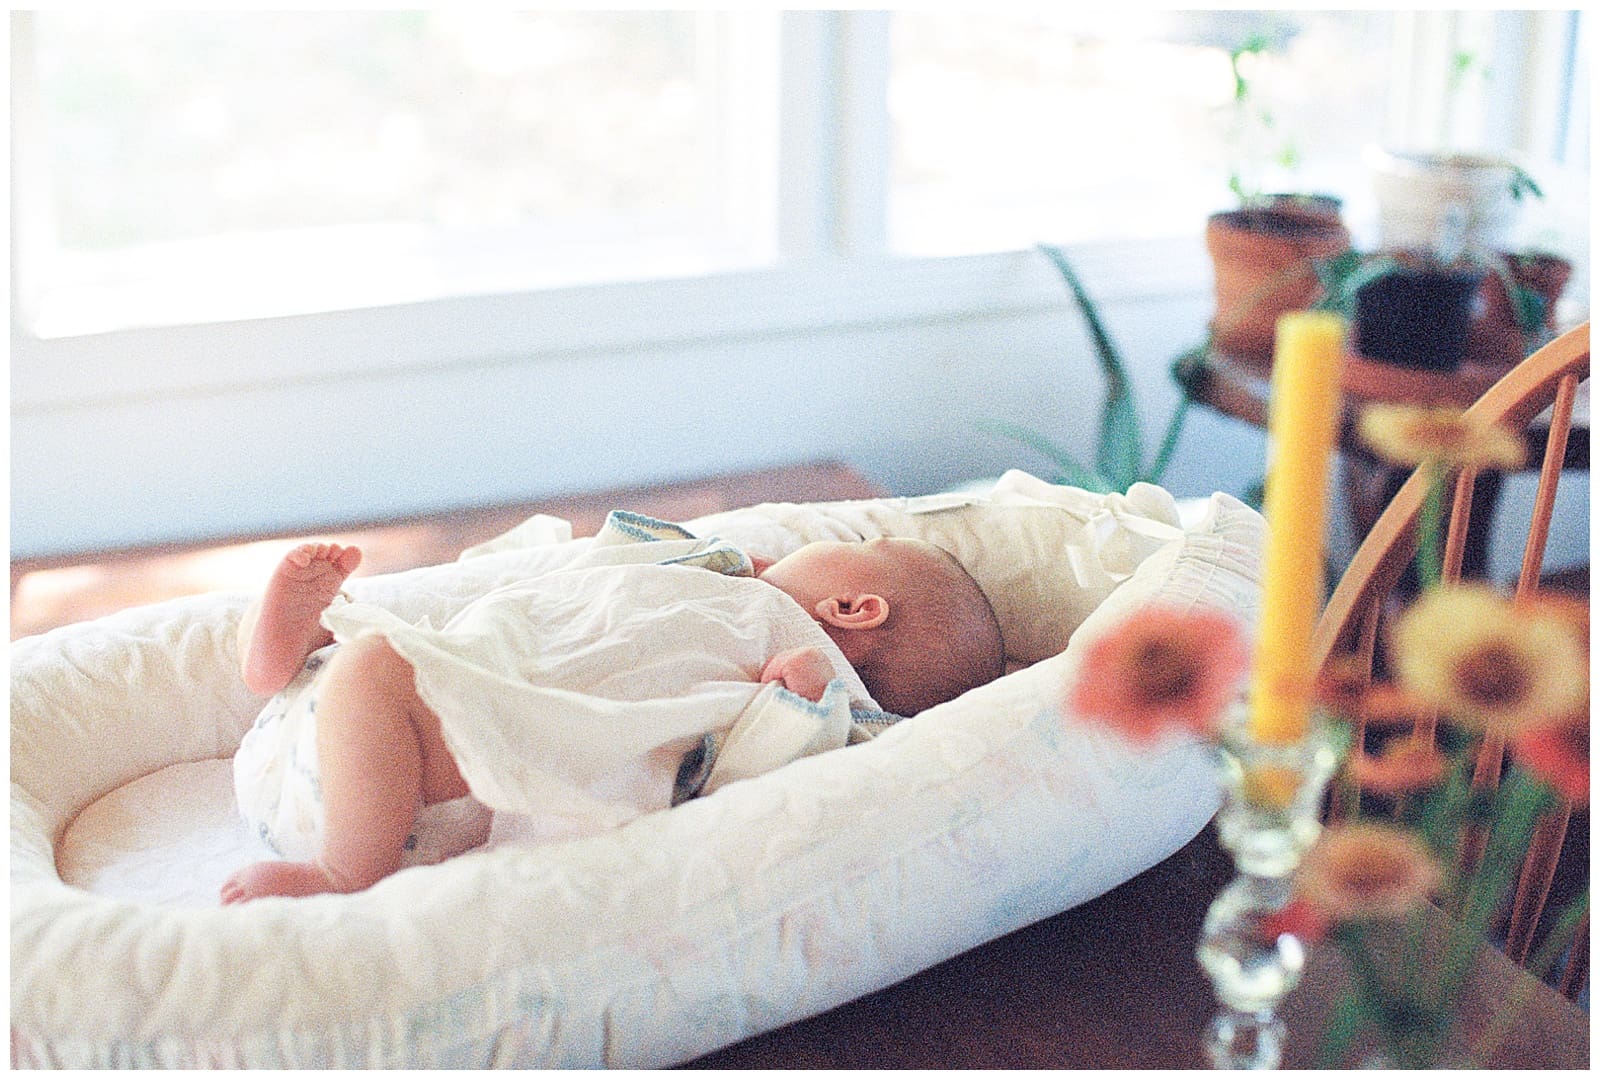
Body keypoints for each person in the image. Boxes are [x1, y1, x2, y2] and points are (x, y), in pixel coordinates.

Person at [221, 514, 1004, 904]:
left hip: (422, 786)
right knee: (365, 646)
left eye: (851, 542)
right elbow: (603, 572)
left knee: (380, 667)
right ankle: (285, 656)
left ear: (854, 606)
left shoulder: (817, 679)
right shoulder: (727, 581)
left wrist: (801, 707)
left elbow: (760, 781)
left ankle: (342, 873)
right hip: (321, 733)